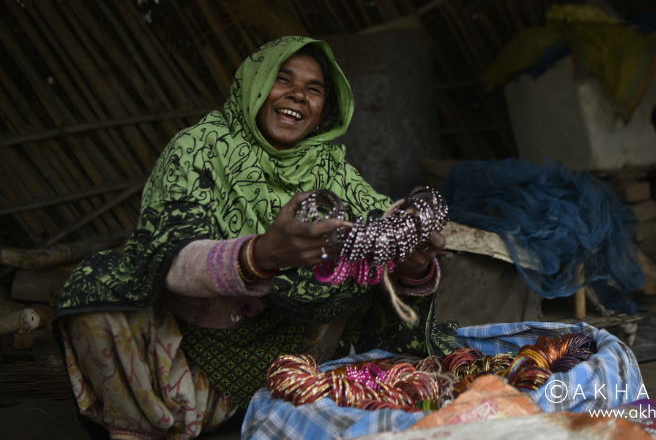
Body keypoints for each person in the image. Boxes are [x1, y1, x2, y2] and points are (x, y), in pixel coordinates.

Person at [54, 37, 456, 440]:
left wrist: (413, 266)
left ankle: (279, 404)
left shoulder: (332, 173)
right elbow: (165, 254)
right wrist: (258, 255)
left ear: (323, 112)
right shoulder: (198, 148)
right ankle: (146, 429)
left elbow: (384, 235)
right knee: (97, 285)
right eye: (283, 80)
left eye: (313, 89)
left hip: (292, 372)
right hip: (183, 370)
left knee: (360, 252)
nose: (297, 95)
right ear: (256, 86)